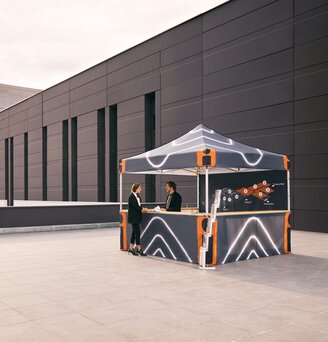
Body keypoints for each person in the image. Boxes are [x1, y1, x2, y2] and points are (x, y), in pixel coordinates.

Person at [128, 183, 147, 256]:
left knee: (134, 233)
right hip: (134, 218)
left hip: (137, 218)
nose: (141, 189)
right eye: (139, 188)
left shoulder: (137, 197)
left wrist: (142, 208)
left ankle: (131, 248)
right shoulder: (131, 197)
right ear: (136, 188)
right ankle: (139, 249)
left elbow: (138, 206)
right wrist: (143, 209)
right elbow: (136, 207)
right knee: (137, 233)